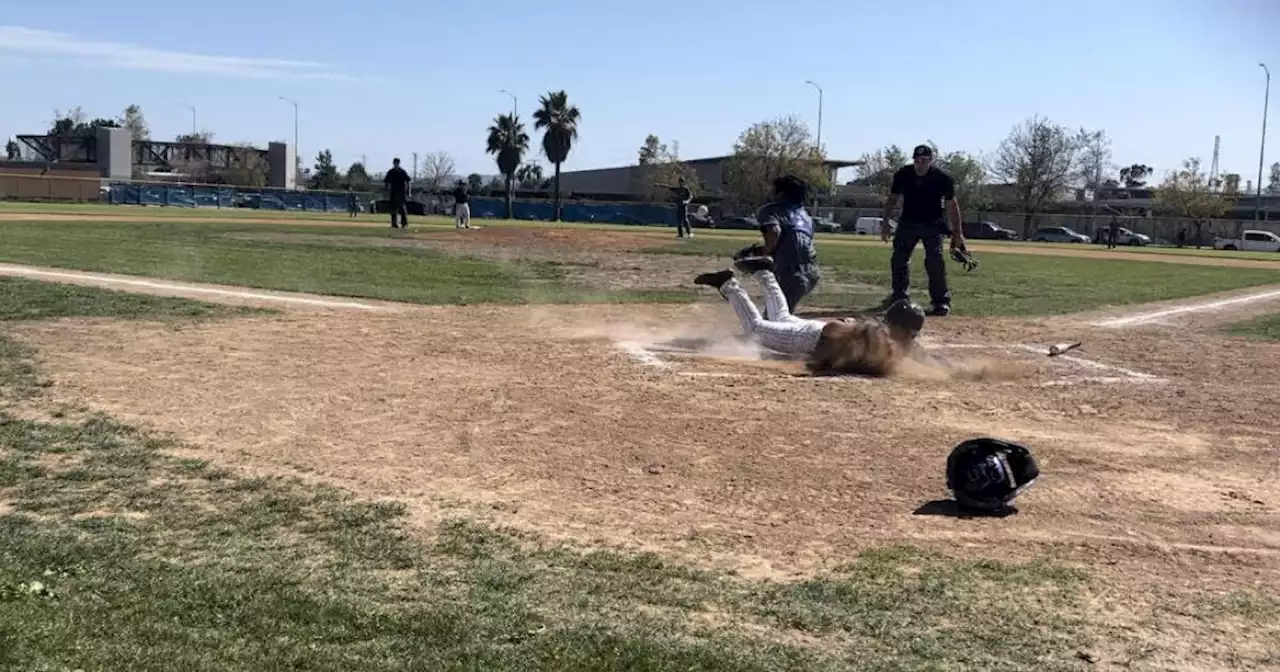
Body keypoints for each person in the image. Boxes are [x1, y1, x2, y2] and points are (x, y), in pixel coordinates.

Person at [693, 256, 925, 377]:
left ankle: (764, 272)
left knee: (782, 316)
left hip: (811, 332)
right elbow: (836, 329)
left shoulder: (894, 342)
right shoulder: (878, 336)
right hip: (809, 338)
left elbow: (924, 357)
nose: (911, 338)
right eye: (909, 333)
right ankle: (728, 284)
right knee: (756, 329)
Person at [879, 145, 965, 316]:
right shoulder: (903, 175)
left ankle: (941, 301)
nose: (920, 165)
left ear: (930, 161)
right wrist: (885, 222)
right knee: (898, 260)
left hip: (933, 223)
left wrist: (958, 232)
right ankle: (899, 298)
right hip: (907, 222)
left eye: (924, 161)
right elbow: (893, 199)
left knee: (935, 261)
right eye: (917, 161)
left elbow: (951, 205)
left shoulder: (942, 178)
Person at [741, 174, 822, 318]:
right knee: (782, 313)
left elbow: (774, 231)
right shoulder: (805, 215)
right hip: (812, 272)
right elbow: (796, 241)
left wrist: (766, 252)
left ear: (781, 194)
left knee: (773, 322)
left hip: (792, 275)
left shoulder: (772, 209)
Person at [383, 158, 411, 229]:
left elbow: (408, 181)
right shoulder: (391, 172)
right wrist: (386, 189)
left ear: (399, 163)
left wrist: (408, 191)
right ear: (393, 163)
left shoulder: (402, 172)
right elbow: (386, 181)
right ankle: (394, 223)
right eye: (395, 163)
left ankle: (404, 224)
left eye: (397, 163)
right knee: (393, 209)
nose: (396, 164)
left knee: (402, 208)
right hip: (393, 192)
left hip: (401, 192)